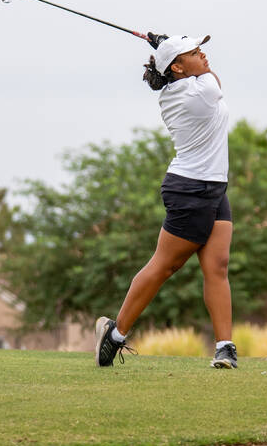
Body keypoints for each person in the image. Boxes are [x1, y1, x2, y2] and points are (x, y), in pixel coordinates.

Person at [95, 34, 237, 369]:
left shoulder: (184, 86)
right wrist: (164, 44)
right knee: (164, 266)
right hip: (190, 189)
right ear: (177, 66)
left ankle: (225, 348)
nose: (203, 55)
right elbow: (213, 79)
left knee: (217, 266)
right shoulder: (195, 91)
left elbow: (201, 74)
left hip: (214, 185)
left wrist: (165, 44)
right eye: (194, 52)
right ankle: (115, 335)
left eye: (200, 49)